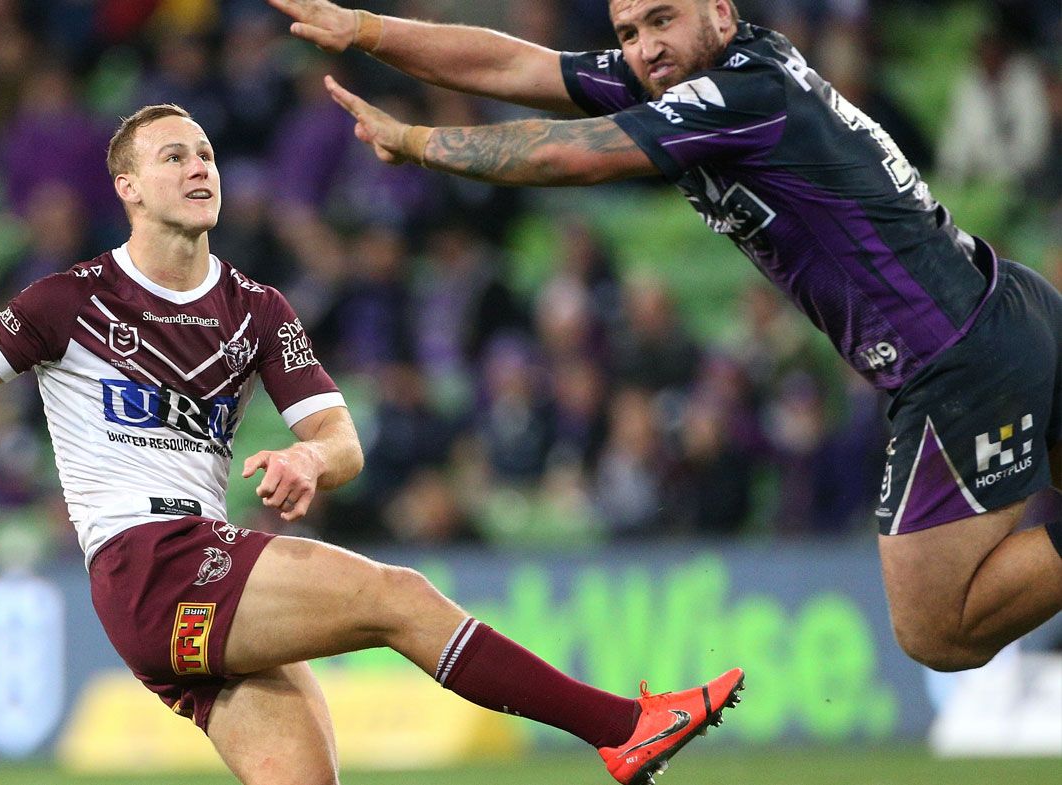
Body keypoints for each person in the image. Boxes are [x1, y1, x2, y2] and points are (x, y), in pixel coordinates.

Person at [0, 104, 743, 785]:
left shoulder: (259, 310)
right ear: (128, 186)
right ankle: (621, 727)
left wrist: (311, 459)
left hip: (195, 575)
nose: (198, 167)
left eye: (208, 155)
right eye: (173, 156)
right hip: (147, 560)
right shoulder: (70, 300)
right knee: (398, 596)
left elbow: (340, 438)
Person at [264, 0, 1062, 675]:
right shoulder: (701, 76)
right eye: (628, 32)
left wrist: (418, 143)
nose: (645, 48)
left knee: (937, 630)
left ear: (721, 12)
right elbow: (518, 66)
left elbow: (573, 154)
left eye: (662, 20)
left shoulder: (741, 94)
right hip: (1005, 305)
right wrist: (366, 29)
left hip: (956, 357)